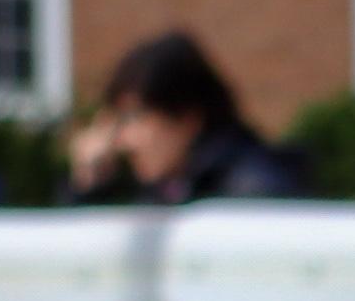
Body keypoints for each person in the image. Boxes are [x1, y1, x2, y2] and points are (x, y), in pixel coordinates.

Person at [73, 35, 312, 204]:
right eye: (119, 122)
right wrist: (91, 183)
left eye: (135, 118)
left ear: (188, 119)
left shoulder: (254, 192)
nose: (123, 141)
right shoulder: (171, 187)